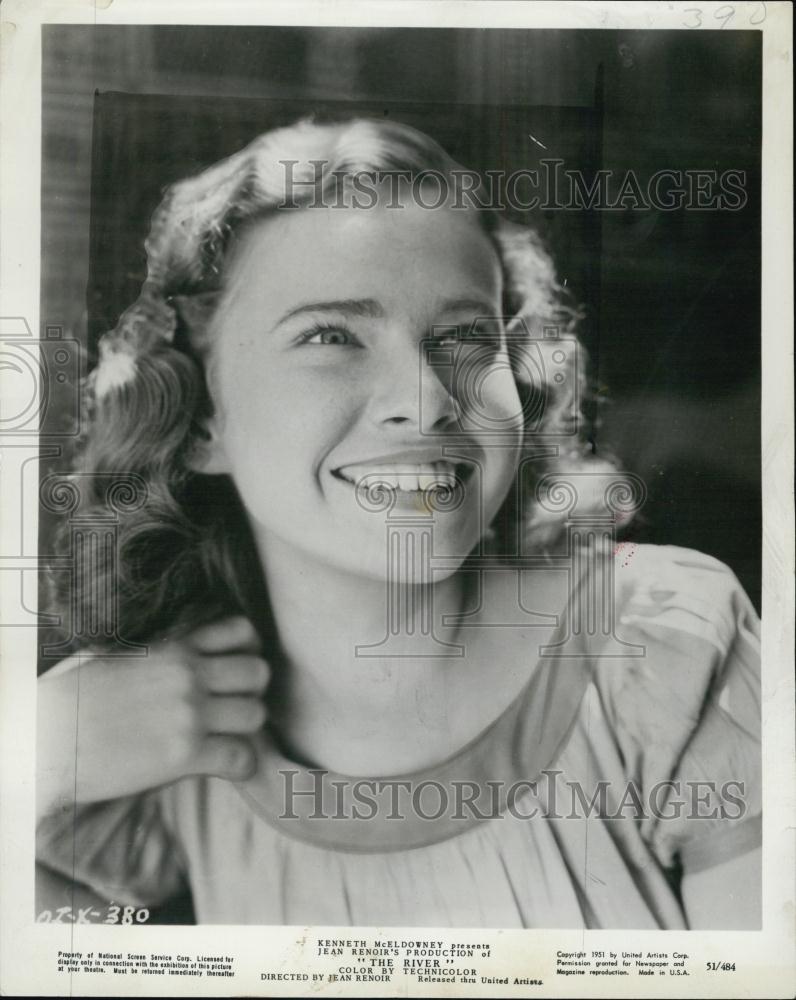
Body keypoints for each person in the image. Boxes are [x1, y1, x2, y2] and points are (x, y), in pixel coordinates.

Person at [36, 115, 761, 928]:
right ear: (204, 420)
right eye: (331, 335)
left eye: (463, 337)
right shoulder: (161, 733)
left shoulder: (658, 645)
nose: (424, 399)